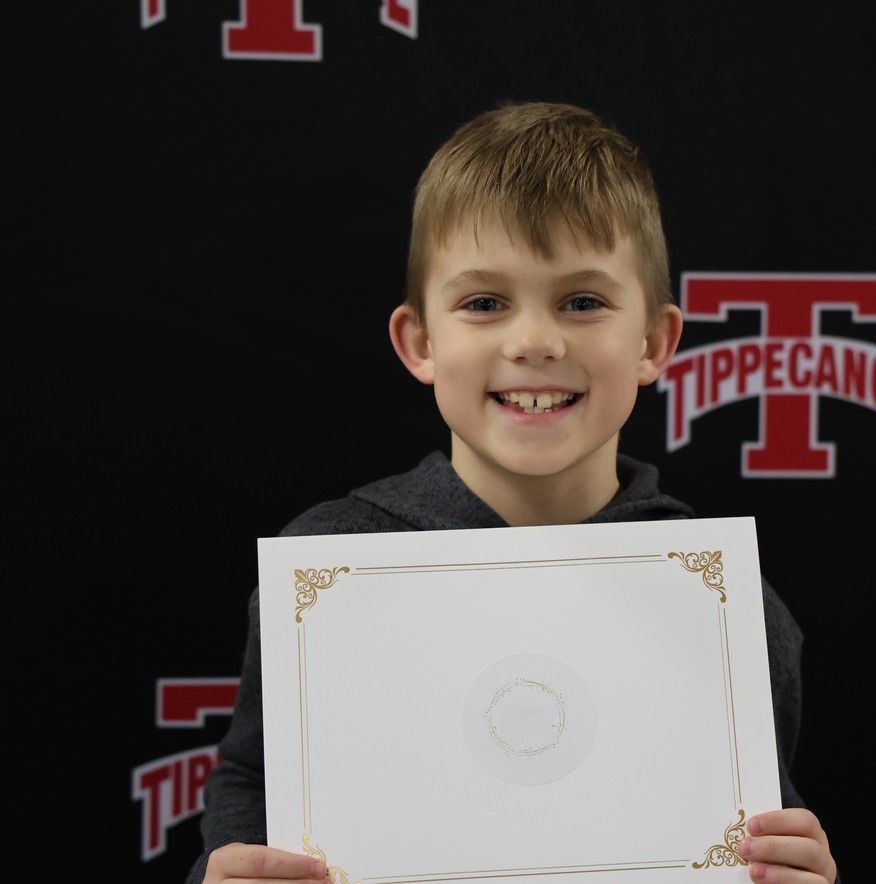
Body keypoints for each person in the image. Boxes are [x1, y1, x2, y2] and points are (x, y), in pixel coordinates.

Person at [185, 100, 839, 884]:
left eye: (583, 301)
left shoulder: (723, 604)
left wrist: (793, 869)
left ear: (655, 343)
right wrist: (227, 869)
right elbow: (253, 778)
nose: (534, 341)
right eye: (485, 303)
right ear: (420, 342)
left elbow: (754, 819)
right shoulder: (329, 566)